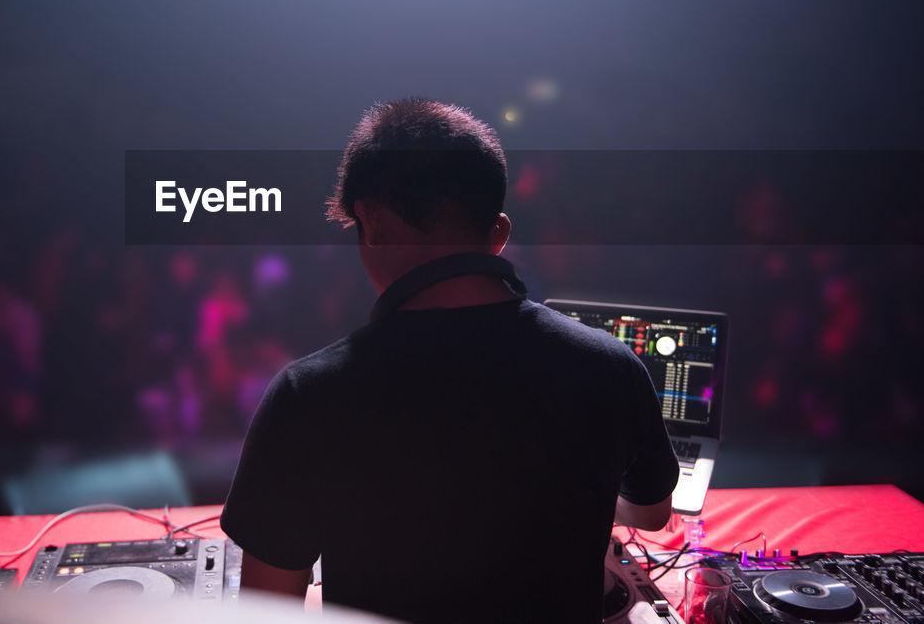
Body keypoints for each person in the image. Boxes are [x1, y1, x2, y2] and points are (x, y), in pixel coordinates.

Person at [220, 98, 679, 623]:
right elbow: (652, 513)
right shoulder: (612, 367)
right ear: (498, 236)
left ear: (369, 222)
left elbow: (265, 613)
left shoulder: (307, 395)